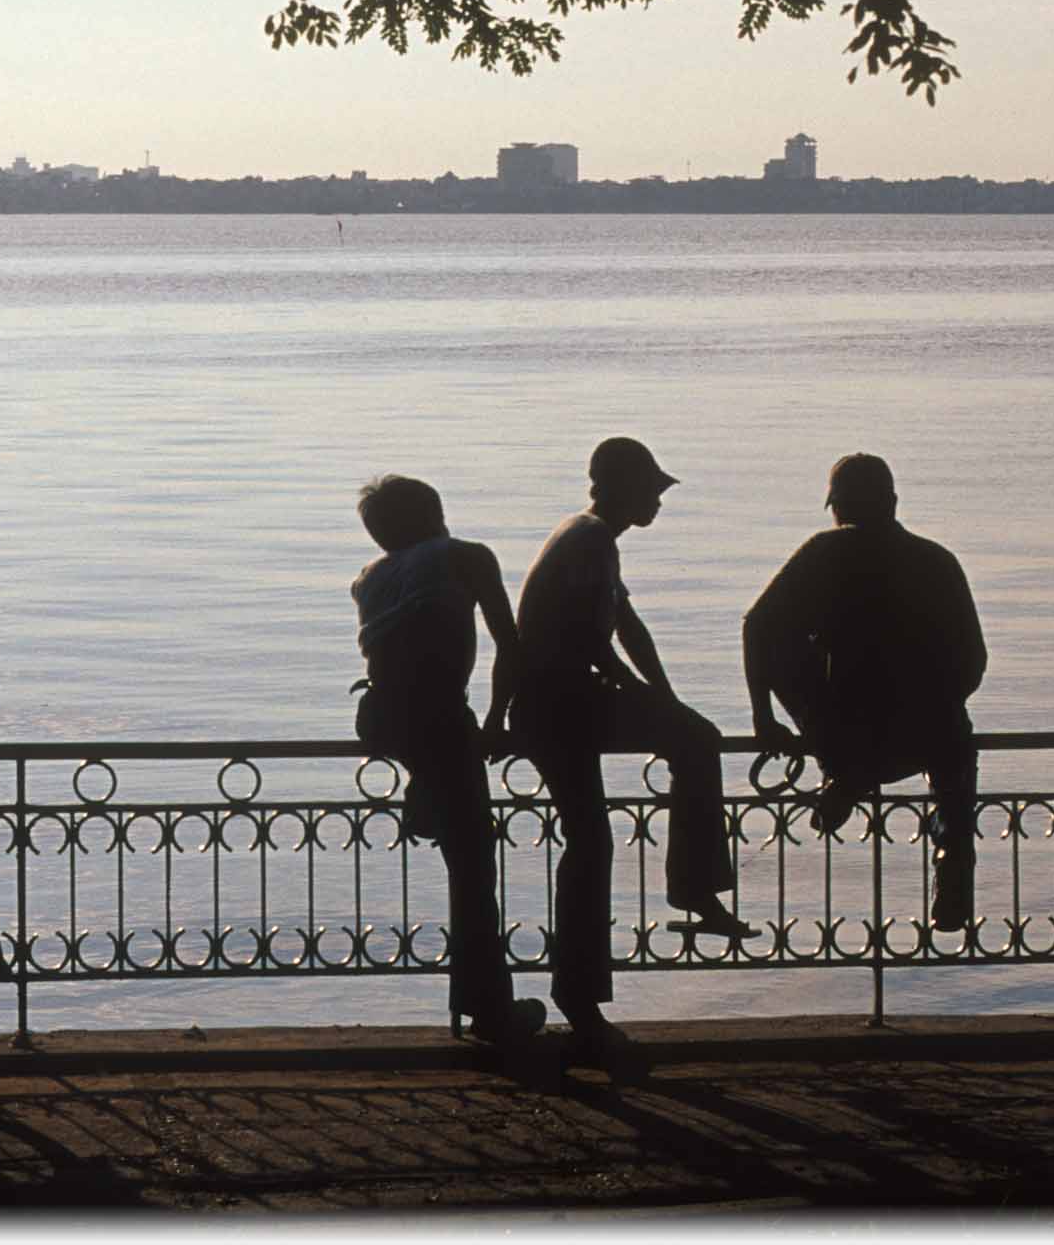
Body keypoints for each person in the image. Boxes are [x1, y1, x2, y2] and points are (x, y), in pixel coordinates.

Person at [511, 437, 753, 1058]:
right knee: (591, 840)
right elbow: (597, 647)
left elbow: (628, 626)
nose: (659, 502)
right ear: (622, 489)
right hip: (562, 706)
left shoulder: (591, 537)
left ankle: (689, 892)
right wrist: (653, 701)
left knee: (686, 745)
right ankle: (586, 993)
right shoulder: (591, 540)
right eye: (653, 490)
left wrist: (666, 700)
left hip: (564, 703)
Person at [741, 453, 987, 932]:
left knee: (786, 642)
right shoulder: (937, 560)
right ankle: (953, 855)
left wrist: (764, 717)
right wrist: (935, 699)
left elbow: (757, 627)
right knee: (954, 775)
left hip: (846, 729)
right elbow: (974, 661)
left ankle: (844, 775)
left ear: (839, 507)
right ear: (892, 502)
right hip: (932, 733)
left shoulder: (825, 552)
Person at [349, 474, 547, 1047]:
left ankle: (425, 792)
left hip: (380, 718)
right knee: (474, 865)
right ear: (437, 512)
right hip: (438, 718)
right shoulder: (468, 557)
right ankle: (489, 1011)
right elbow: (508, 646)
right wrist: (494, 722)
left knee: (460, 838)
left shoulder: (369, 578)